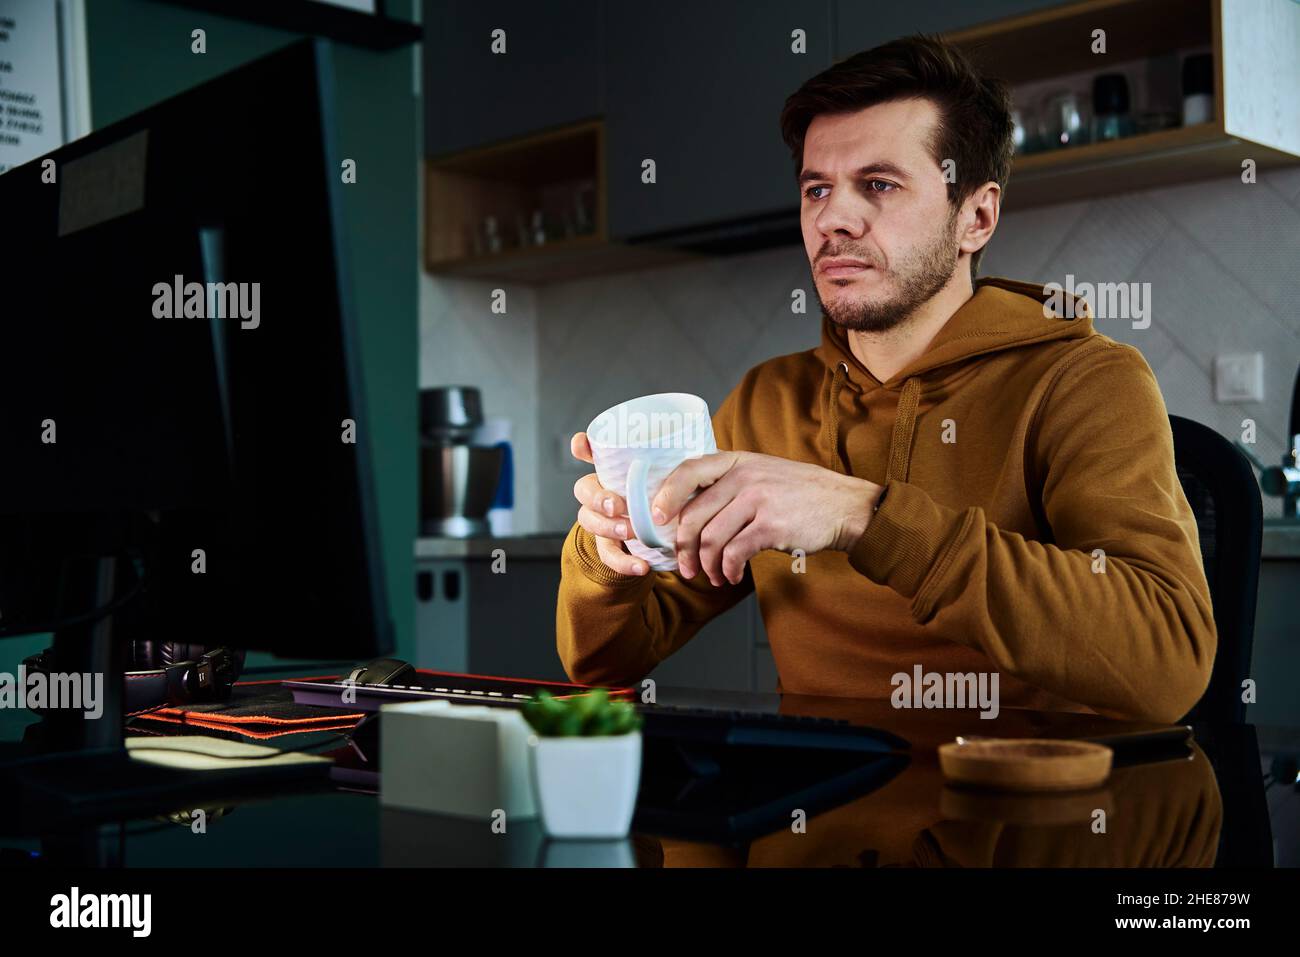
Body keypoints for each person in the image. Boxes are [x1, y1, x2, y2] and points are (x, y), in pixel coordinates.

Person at [556, 35, 1215, 723]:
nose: (832, 219)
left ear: (976, 217)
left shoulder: (1085, 381)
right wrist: (610, 555)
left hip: (1028, 815)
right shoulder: (765, 403)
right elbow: (603, 663)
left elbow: (1168, 664)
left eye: (878, 184)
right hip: (817, 818)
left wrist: (863, 516)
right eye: (816, 189)